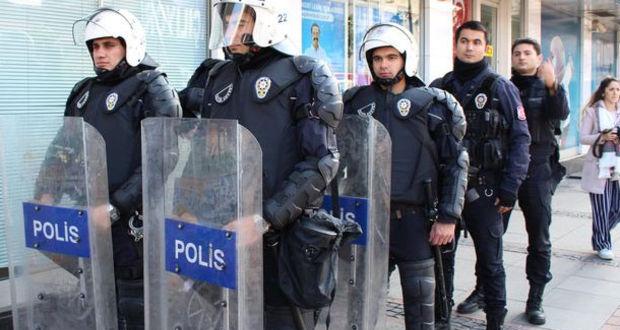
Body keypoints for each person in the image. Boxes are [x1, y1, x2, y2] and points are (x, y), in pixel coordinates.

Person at [181, 1, 342, 328]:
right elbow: (203, 153)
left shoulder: (305, 74)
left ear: (267, 22)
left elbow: (321, 160)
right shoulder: (218, 76)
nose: (232, 31)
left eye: (241, 22)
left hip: (283, 238)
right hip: (226, 231)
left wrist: (265, 218)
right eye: (227, 21)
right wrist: (186, 206)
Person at [38, 8, 182, 329]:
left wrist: (116, 206)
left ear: (128, 44)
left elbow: (161, 158)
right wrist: (46, 191)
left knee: (133, 309)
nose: (100, 54)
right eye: (95, 47)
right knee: (94, 302)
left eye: (108, 45)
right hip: (88, 220)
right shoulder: (83, 93)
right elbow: (65, 147)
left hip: (134, 229)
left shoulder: (153, 88)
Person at [344, 22, 468, 329]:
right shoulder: (354, 103)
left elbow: (456, 162)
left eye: (391, 57)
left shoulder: (432, 104)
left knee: (421, 310)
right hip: (367, 220)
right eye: (377, 58)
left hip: (415, 222)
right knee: (359, 306)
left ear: (405, 58)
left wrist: (449, 217)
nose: (384, 65)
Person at [431, 21, 531, 330]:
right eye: (464, 41)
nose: (470, 47)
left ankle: (495, 323)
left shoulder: (500, 87)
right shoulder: (440, 86)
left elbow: (520, 138)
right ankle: (440, 320)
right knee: (440, 261)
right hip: (446, 192)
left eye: (476, 42)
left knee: (491, 263)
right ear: (456, 44)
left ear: (484, 47)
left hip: (486, 190)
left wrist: (511, 187)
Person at [503, 37, 570, 325]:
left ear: (538, 57)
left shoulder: (549, 87)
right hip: (505, 169)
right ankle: (483, 290)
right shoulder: (503, 87)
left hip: (538, 169)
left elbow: (561, 113)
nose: (521, 57)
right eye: (516, 53)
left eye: (527, 53)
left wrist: (553, 84)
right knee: (490, 234)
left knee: (539, 239)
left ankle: (535, 298)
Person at [580, 77, 620, 261]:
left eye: (618, 90)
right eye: (612, 89)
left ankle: (599, 234)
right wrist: (603, 136)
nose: (615, 93)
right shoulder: (592, 112)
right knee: (602, 210)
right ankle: (604, 244)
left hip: (616, 168)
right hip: (598, 167)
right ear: (604, 91)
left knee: (616, 209)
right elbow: (583, 137)